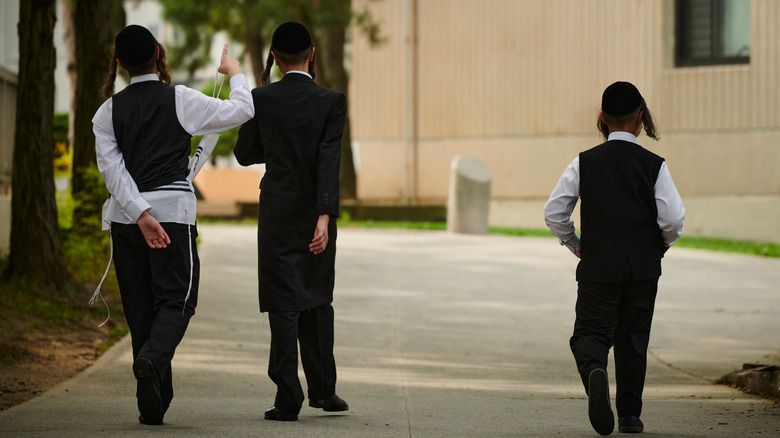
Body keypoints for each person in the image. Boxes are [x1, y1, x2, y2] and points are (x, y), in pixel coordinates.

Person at [92, 24, 254, 425]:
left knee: (140, 307)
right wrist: (234, 71)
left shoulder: (106, 112)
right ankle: (150, 362)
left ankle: (154, 403)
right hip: (172, 216)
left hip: (125, 221)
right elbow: (243, 110)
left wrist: (140, 215)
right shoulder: (180, 99)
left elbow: (112, 173)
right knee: (178, 300)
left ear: (119, 63)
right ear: (159, 55)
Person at [544, 81, 685, 435]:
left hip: (598, 267)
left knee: (590, 333)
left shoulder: (584, 163)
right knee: (633, 338)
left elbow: (554, 212)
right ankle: (630, 415)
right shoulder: (654, 165)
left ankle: (594, 368)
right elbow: (673, 219)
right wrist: (659, 246)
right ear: (641, 119)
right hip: (642, 269)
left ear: (603, 118)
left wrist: (574, 242)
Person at [233, 21, 348, 422]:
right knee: (317, 297)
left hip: (278, 212)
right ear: (312, 54)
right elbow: (329, 160)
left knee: (283, 302)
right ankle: (324, 390)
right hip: (316, 212)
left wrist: (279, 149)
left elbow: (244, 153)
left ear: (275, 58)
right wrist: (324, 215)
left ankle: (288, 396)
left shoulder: (260, 98)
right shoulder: (332, 101)